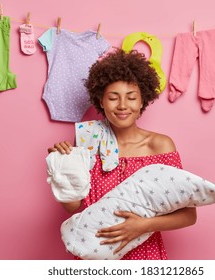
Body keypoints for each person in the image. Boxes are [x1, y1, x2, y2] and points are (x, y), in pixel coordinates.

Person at [48, 48, 197, 260]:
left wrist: (143, 226)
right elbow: (73, 206)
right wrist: (62, 168)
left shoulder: (160, 146)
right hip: (95, 254)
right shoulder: (88, 141)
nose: (123, 105)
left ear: (142, 100)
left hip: (145, 255)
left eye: (131, 97)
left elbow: (188, 215)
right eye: (113, 98)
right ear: (101, 101)